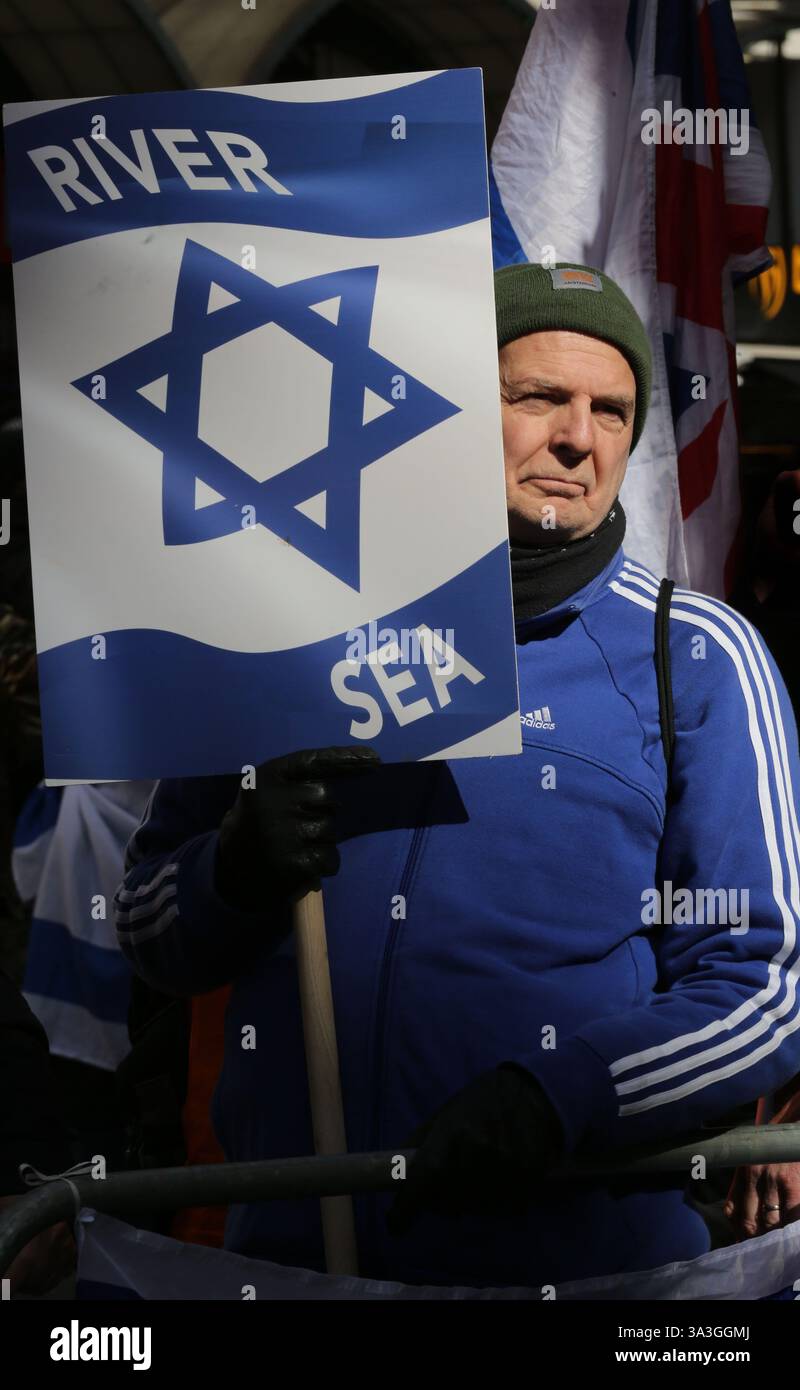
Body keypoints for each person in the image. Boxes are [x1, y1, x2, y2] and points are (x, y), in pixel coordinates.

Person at [114, 262, 800, 1289]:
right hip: (299, 1267)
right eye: (537, 398)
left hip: (586, 1270)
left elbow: (767, 988)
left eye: (610, 409)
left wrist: (558, 1095)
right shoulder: (284, 627)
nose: (578, 436)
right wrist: (233, 870)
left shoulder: (693, 652)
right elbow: (141, 925)